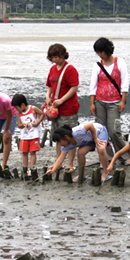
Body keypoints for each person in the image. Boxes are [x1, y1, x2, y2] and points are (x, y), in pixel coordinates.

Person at [89, 37, 130, 167]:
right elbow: (93, 85)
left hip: (115, 102)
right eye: (97, 52)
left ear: (107, 50)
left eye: (101, 51)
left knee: (114, 131)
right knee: (101, 132)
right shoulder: (97, 65)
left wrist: (123, 101)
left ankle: (124, 155)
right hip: (100, 102)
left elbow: (125, 83)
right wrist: (92, 103)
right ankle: (107, 158)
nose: (99, 54)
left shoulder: (120, 62)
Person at [45, 43, 80, 172]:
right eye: (52, 58)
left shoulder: (70, 69)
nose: (54, 60)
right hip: (55, 109)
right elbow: (49, 85)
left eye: (56, 57)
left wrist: (62, 100)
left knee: (69, 136)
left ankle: (70, 163)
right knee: (58, 135)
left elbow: (74, 87)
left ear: (62, 55)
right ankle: (58, 161)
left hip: (68, 108)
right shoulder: (53, 69)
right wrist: (48, 96)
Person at [46, 122, 111, 183]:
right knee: (80, 153)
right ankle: (82, 174)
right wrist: (53, 170)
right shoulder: (65, 146)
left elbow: (90, 125)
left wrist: (96, 138)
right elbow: (60, 158)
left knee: (101, 149)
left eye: (59, 141)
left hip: (99, 132)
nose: (59, 144)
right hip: (88, 140)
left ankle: (106, 172)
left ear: (66, 137)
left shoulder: (78, 131)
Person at [11, 93, 45, 175]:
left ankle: (31, 168)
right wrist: (23, 125)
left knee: (33, 152)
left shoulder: (32, 108)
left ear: (22, 105)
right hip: (24, 136)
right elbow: (19, 125)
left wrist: (38, 122)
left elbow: (42, 114)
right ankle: (25, 169)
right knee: (24, 152)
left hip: (34, 135)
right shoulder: (19, 114)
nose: (16, 109)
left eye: (16, 107)